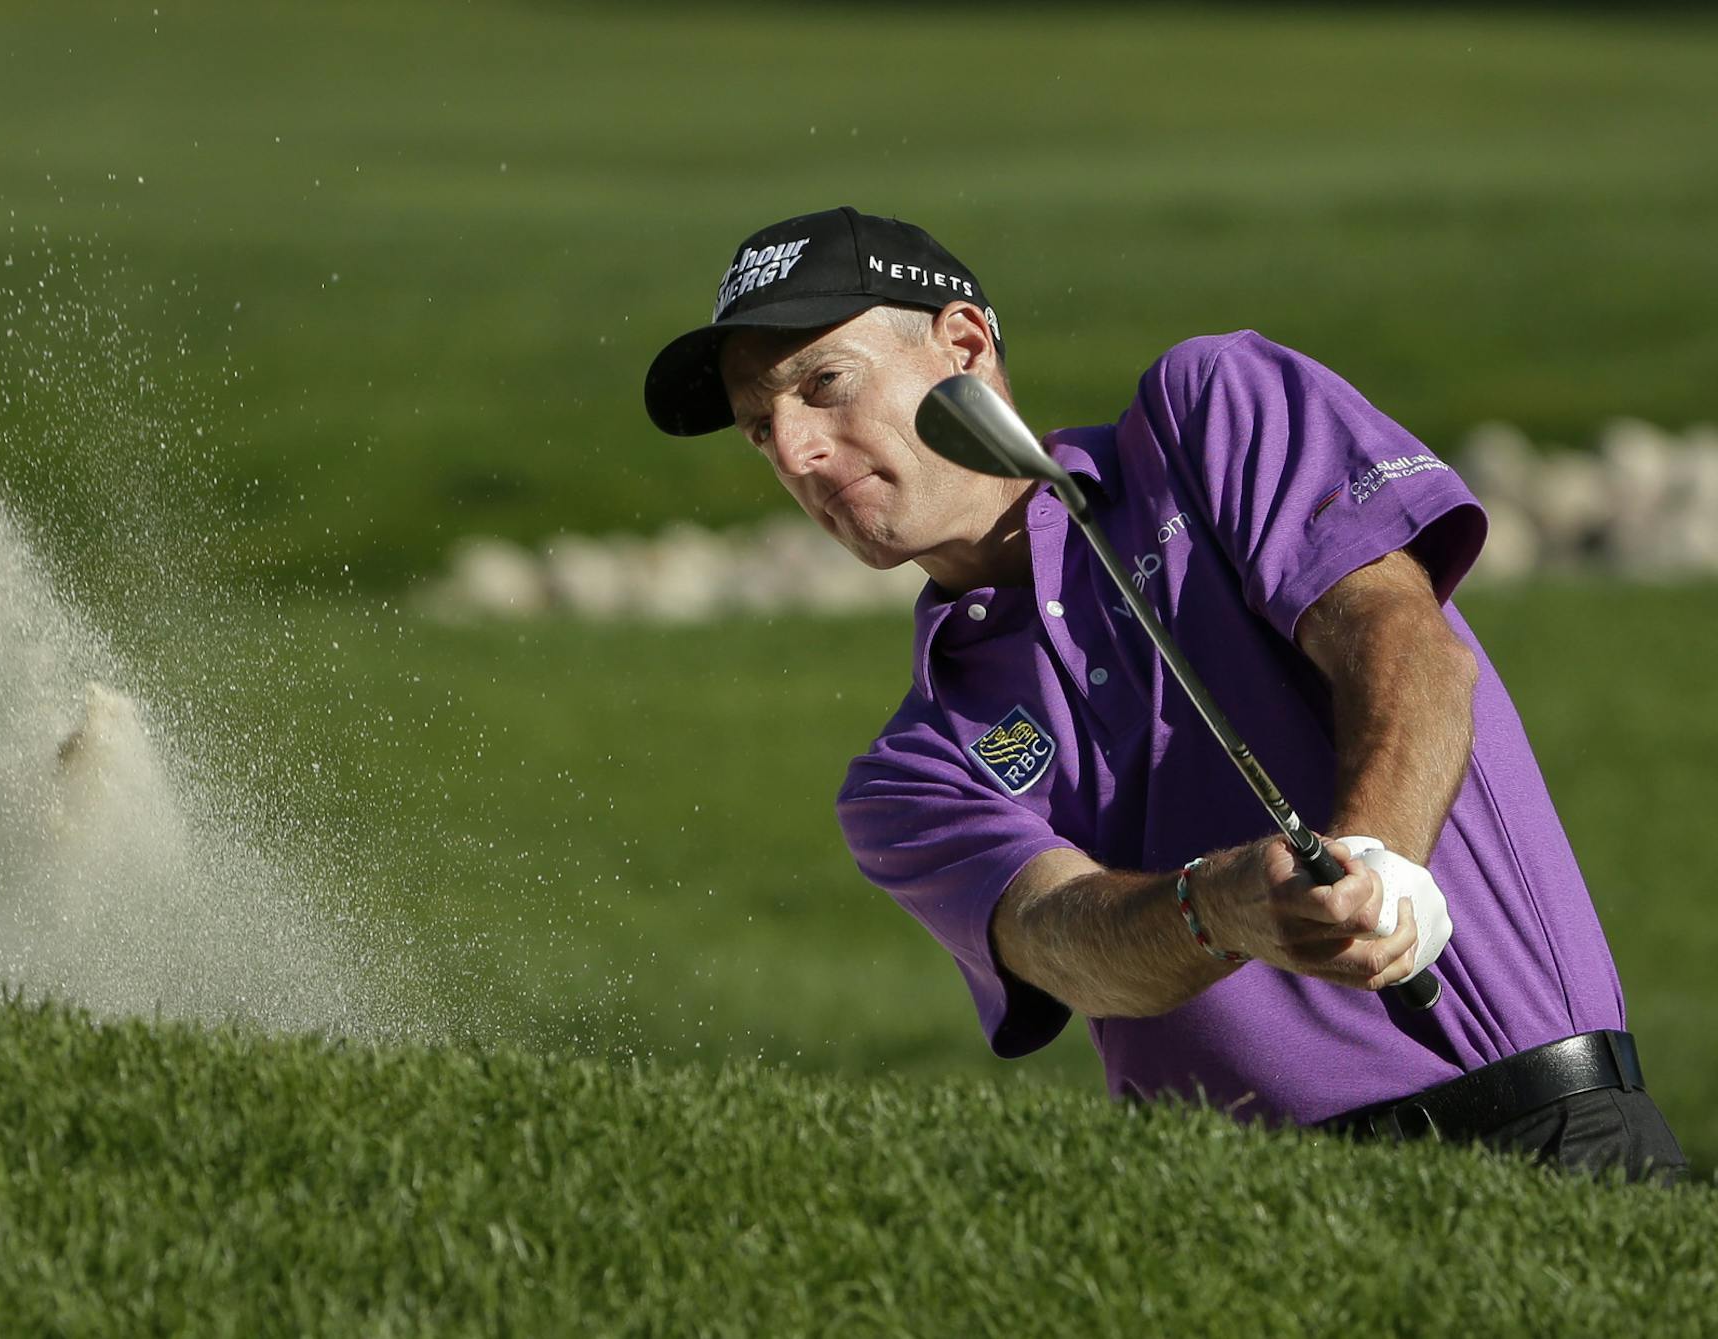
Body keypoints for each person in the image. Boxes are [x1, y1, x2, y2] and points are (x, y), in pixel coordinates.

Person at [643, 206, 1687, 1183]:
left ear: (962, 346)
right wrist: (1224, 906)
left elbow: (1401, 640)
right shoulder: (909, 772)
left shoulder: (1209, 414)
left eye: (823, 383)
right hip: (1245, 1222)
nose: (794, 452)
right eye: (757, 428)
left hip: (1554, 1135)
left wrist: (1375, 863)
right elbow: (1062, 938)